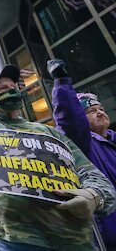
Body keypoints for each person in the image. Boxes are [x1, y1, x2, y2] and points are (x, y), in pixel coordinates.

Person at [0, 19, 116, 250]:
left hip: (72, 241)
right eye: (2, 89)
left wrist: (94, 197)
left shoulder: (50, 133)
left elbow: (90, 174)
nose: (11, 90)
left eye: (14, 88)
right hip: (15, 240)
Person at [48, 59, 116, 250]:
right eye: (92, 111)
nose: (100, 113)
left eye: (101, 109)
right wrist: (61, 82)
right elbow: (69, 118)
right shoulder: (83, 143)